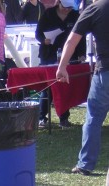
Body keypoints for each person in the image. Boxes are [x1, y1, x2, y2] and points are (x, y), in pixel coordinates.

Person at [56, 0, 109, 176]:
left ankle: (86, 164)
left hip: (105, 73)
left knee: (93, 118)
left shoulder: (94, 9)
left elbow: (72, 40)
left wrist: (62, 67)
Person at [35, 0, 86, 128]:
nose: (67, 10)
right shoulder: (48, 14)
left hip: (68, 55)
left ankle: (64, 118)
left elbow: (81, 37)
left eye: (69, 8)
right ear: (59, 3)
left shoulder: (75, 16)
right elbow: (38, 33)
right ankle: (42, 117)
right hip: (49, 54)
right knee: (48, 88)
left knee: (64, 86)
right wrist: (43, 40)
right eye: (65, 7)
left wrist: (81, 53)